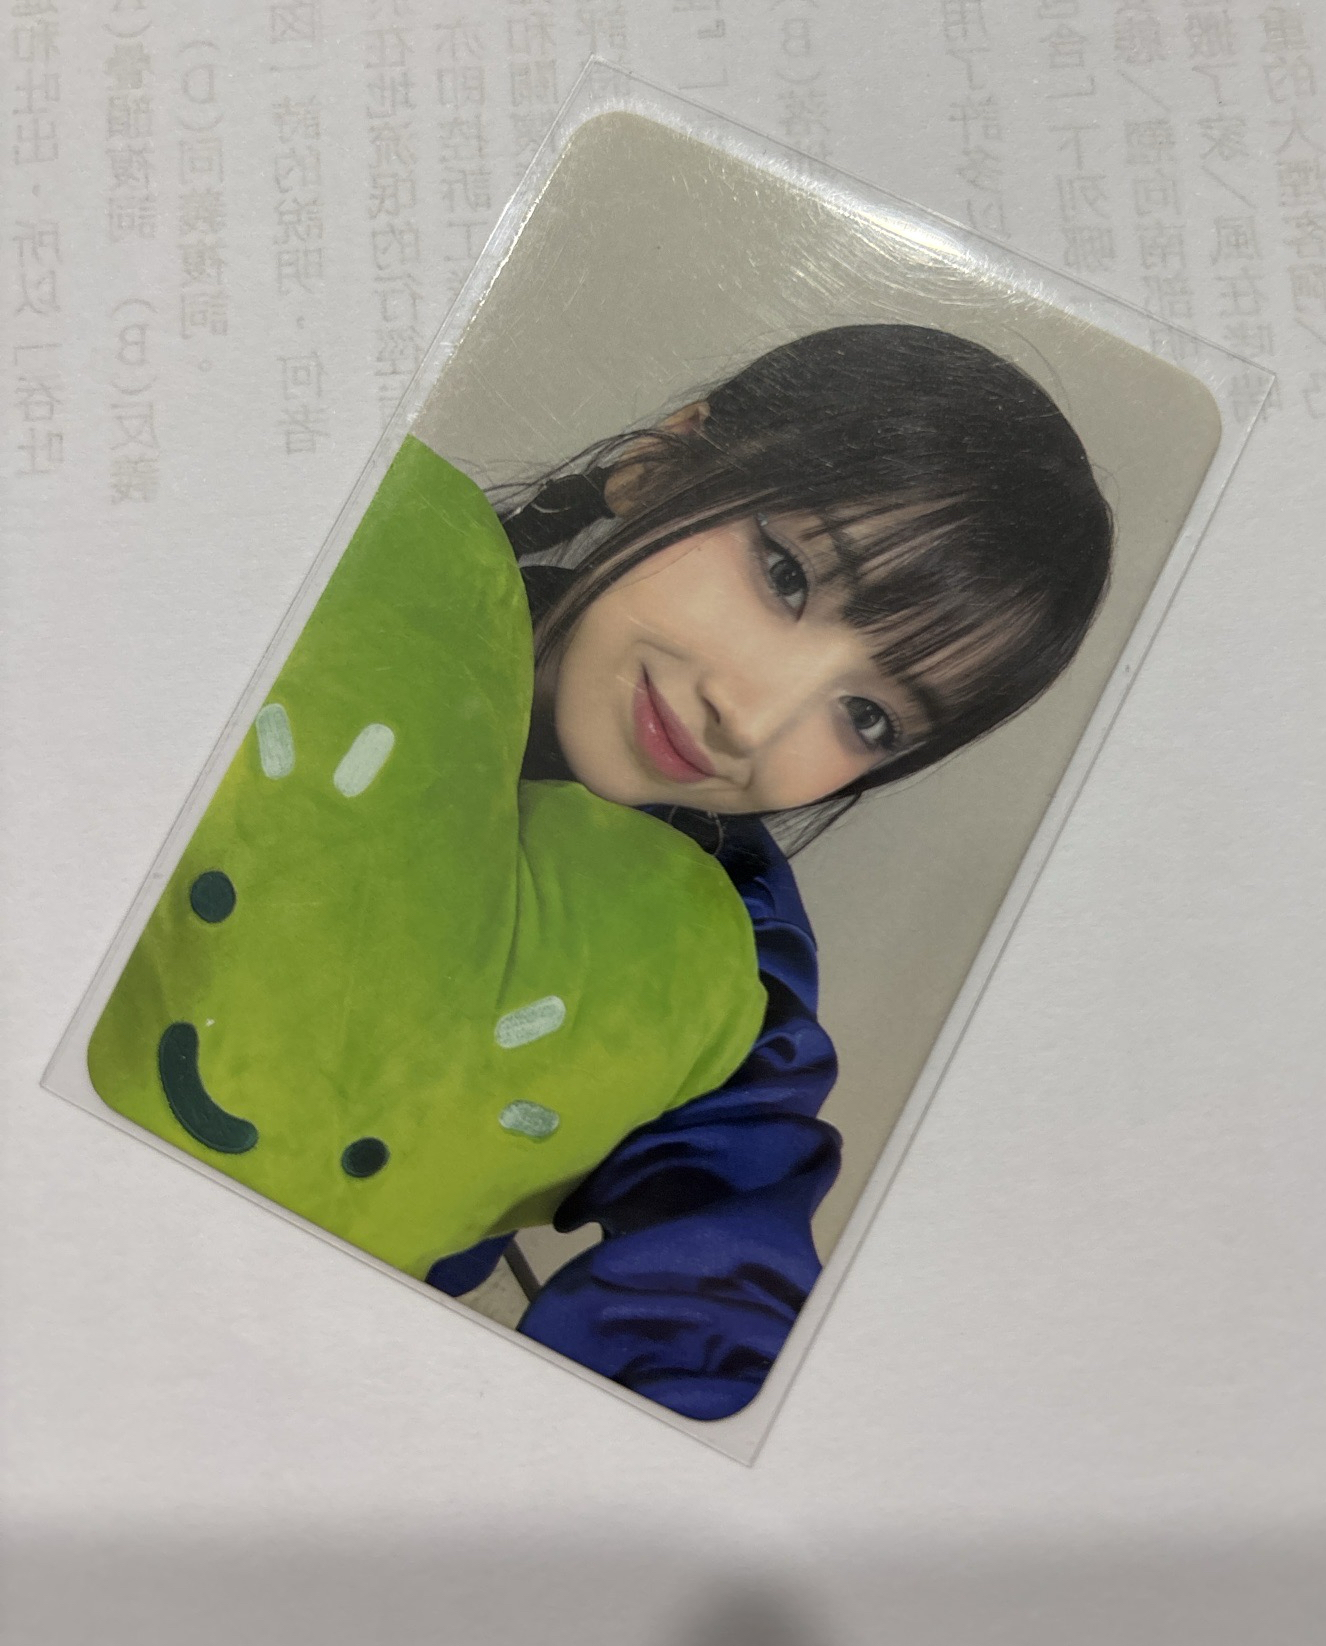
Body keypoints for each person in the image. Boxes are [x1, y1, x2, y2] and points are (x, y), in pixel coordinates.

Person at [424, 324, 1114, 1421]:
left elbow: (726, 1249)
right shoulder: (351, 589)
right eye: (787, 574)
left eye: (869, 716)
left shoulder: (731, 953)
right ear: (661, 461)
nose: (749, 718)